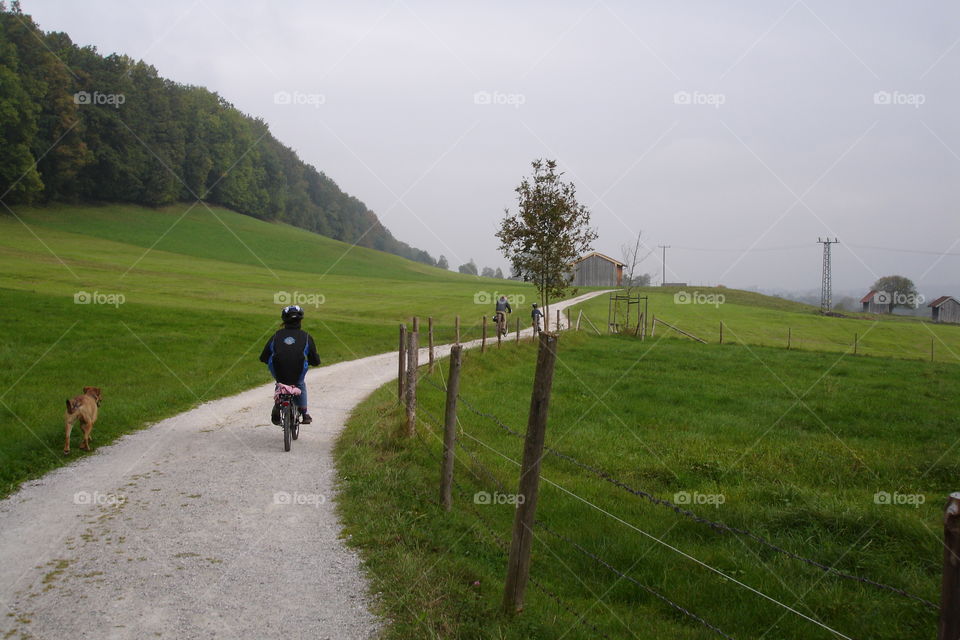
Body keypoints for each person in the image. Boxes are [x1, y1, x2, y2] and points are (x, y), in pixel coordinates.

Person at [259, 305, 321, 425]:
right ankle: (304, 413)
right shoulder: (306, 337)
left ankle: (278, 403)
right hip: (298, 370)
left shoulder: (276, 336)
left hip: (278, 369)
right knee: (300, 383)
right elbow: (314, 359)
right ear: (300, 320)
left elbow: (264, 356)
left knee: (280, 381)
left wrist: (269, 361)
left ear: (284, 320)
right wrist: (315, 362)